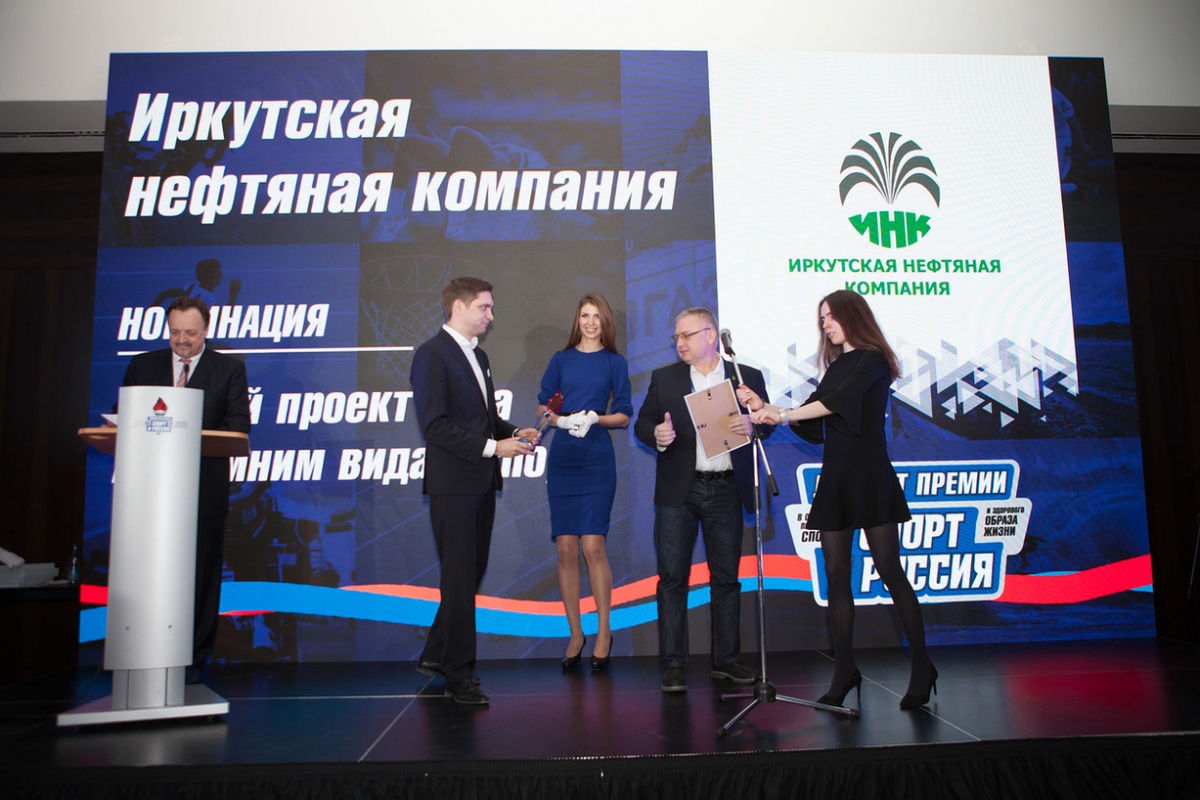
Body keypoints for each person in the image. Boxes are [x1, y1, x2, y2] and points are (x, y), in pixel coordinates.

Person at [736, 289, 936, 711]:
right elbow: (814, 414)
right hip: (837, 477)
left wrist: (781, 414)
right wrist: (765, 406)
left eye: (831, 316)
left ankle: (922, 665)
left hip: (870, 475)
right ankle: (845, 669)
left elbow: (837, 403)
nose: (825, 323)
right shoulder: (839, 365)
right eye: (821, 317)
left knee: (889, 569)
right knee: (836, 575)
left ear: (852, 315)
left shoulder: (872, 360)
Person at [410, 276, 539, 706]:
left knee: (467, 575)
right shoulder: (431, 355)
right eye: (484, 307)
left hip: (481, 482)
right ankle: (459, 676)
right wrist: (494, 447)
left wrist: (512, 432)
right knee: (460, 578)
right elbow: (435, 426)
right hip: (453, 485)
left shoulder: (478, 355)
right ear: (459, 307)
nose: (490, 315)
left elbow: (483, 419)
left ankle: (436, 655)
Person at [634, 307, 770, 693]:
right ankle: (674, 664)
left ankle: (726, 661)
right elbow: (643, 423)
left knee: (726, 579)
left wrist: (754, 424)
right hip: (680, 489)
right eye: (676, 337)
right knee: (672, 579)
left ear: (711, 335)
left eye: (687, 335)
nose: (679, 343)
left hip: (727, 488)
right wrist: (657, 434)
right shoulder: (665, 378)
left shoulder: (745, 377)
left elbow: (767, 425)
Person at [120, 296, 250, 681]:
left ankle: (192, 658)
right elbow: (126, 416)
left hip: (203, 491)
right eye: (175, 332)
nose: (182, 340)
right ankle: (146, 653)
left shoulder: (229, 370)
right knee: (148, 574)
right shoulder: (143, 366)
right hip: (149, 493)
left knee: (202, 575)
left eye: (190, 333)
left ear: (206, 330)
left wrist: (184, 432)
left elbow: (237, 426)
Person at [536, 293, 633, 672]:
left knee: (593, 545)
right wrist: (559, 420)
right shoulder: (560, 360)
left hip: (596, 457)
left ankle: (604, 632)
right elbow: (544, 406)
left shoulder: (614, 362)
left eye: (596, 316)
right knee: (565, 549)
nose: (590, 322)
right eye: (584, 315)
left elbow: (623, 415)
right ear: (577, 320)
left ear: (605, 322)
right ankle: (575, 634)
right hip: (564, 457)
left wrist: (595, 418)